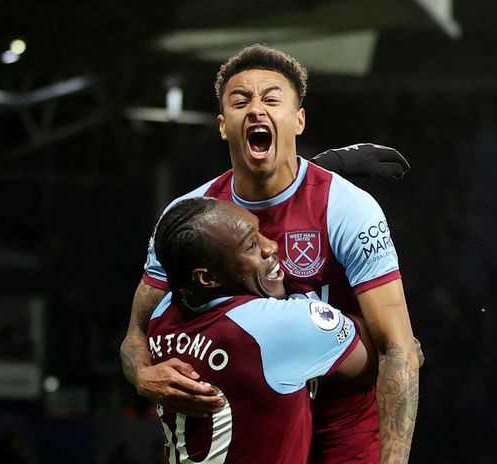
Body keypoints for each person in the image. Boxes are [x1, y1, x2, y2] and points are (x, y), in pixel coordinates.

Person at [120, 44, 419, 463]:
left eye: (272, 98)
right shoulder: (190, 217)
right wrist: (142, 375)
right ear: (223, 125)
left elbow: (398, 349)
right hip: (254, 425)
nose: (256, 109)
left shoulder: (347, 208)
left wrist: (394, 460)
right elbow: (136, 329)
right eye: (240, 101)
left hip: (344, 428)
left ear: (298, 119)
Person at [149, 197, 374, 463]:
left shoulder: (159, 318)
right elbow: (379, 356)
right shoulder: (272, 326)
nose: (272, 245)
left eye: (260, 231)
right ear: (208, 278)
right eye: (251, 246)